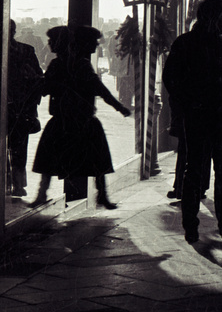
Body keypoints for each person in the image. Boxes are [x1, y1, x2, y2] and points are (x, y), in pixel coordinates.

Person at [162, 0, 222, 244]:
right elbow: (172, 79)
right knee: (217, 171)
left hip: (200, 116)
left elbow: (171, 79)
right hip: (210, 115)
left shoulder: (185, 43)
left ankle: (193, 226)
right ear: (213, 17)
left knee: (194, 170)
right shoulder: (220, 45)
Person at [31, 25, 131, 209]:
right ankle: (102, 195)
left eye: (52, 41)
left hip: (61, 120)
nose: (50, 45)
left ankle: (41, 194)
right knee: (97, 160)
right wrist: (119, 107)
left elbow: (45, 90)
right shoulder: (82, 64)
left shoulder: (57, 64)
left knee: (48, 161)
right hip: (83, 120)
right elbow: (99, 89)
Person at [7, 20, 44, 197]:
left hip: (19, 107)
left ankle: (13, 183)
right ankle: (18, 184)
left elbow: (37, 78)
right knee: (19, 147)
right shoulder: (26, 50)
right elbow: (38, 79)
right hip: (22, 107)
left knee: (18, 147)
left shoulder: (26, 50)